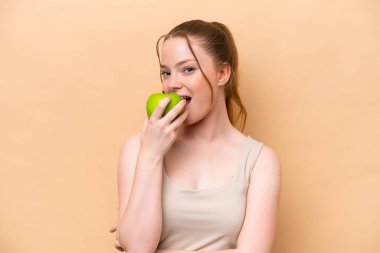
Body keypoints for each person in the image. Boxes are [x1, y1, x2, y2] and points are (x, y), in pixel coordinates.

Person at [109, 19, 281, 253]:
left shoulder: (260, 161)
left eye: (188, 69)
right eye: (165, 72)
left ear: (222, 74)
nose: (172, 83)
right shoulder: (138, 149)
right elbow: (139, 247)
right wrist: (151, 154)